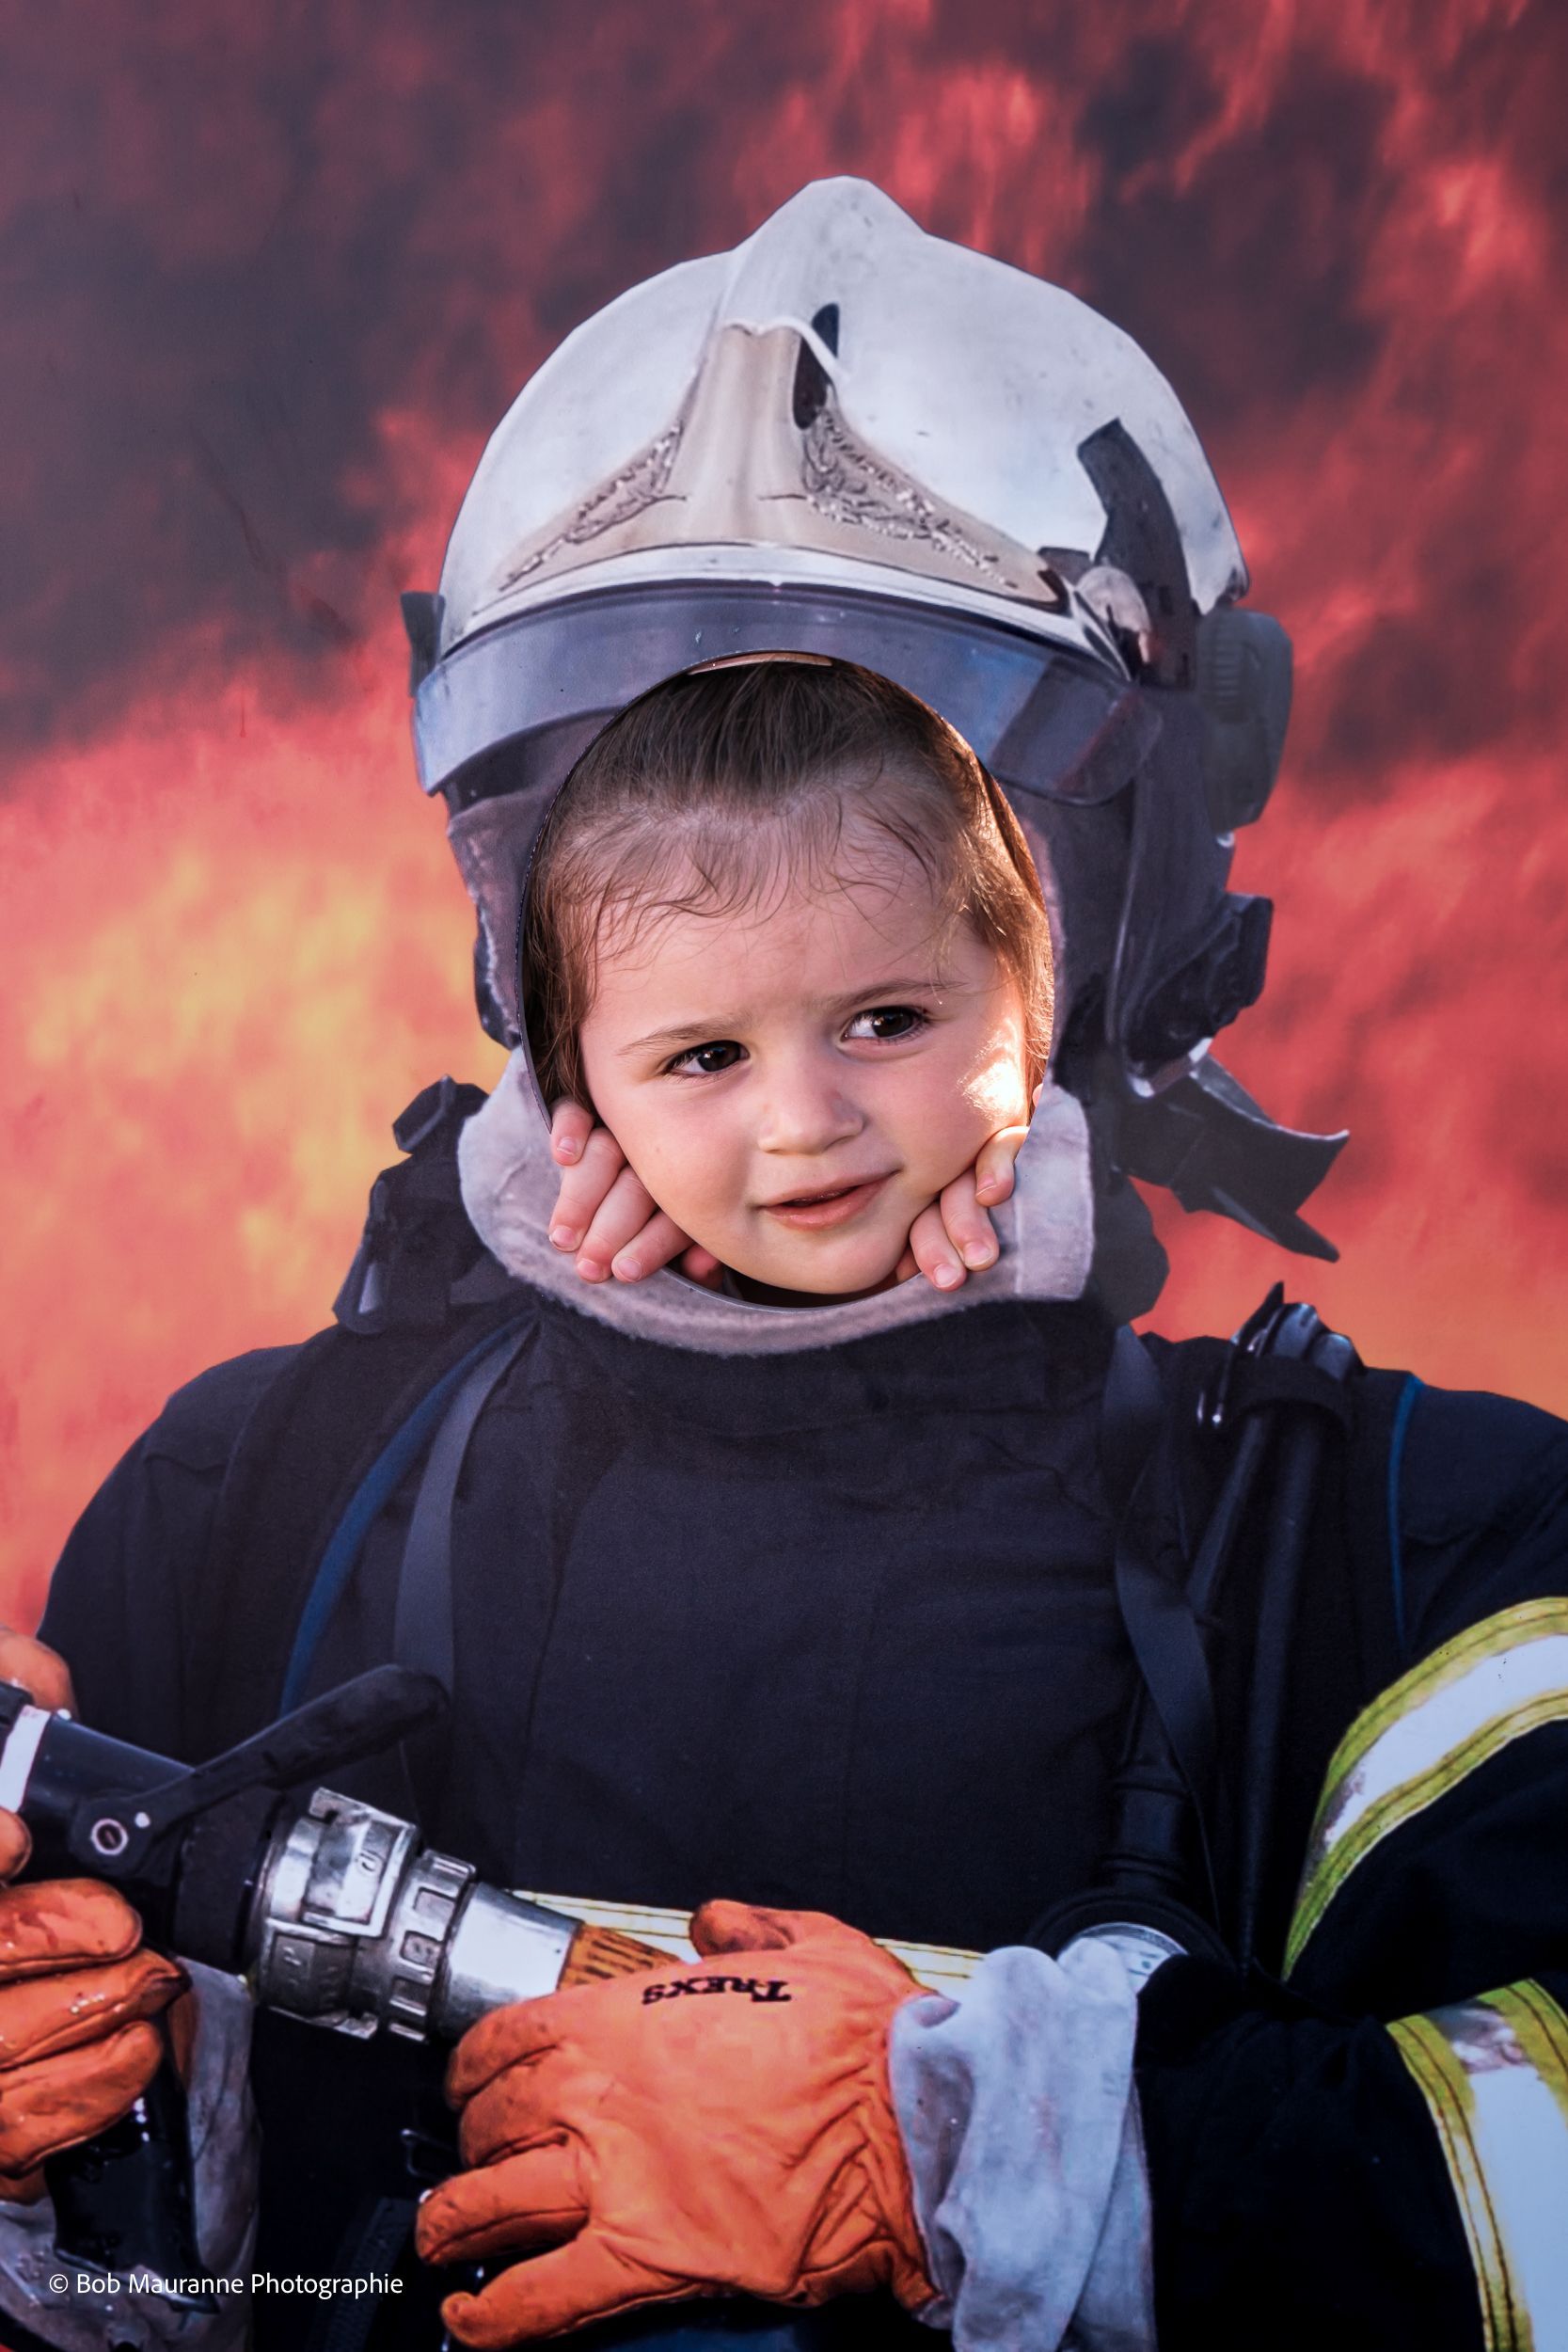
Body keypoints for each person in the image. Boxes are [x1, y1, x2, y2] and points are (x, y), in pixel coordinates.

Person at [3, 176, 1566, 2352]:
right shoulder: (247, 1496)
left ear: (1102, 939)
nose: (804, 1120)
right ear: (535, 982)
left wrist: (978, 2154)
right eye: (702, 1029)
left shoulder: (1404, 1555)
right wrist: (39, 2183)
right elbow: (139, 2286)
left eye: (891, 1001)